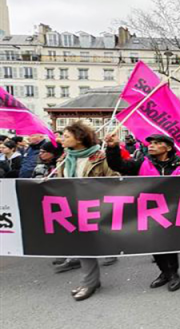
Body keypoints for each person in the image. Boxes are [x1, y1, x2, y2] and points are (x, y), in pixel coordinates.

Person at [106, 133, 180, 293]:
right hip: (149, 211)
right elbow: (117, 165)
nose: (151, 145)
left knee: (169, 244)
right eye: (150, 143)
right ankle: (164, 272)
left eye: (156, 143)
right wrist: (112, 148)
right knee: (154, 243)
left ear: (168, 148)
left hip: (176, 211)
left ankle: (174, 273)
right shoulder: (141, 164)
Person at [56, 122, 119, 301]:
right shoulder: (63, 158)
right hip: (73, 207)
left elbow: (115, 179)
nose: (61, 139)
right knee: (83, 246)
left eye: (66, 136)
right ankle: (90, 281)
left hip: (97, 208)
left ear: (79, 138)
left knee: (91, 244)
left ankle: (91, 279)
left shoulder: (100, 156)